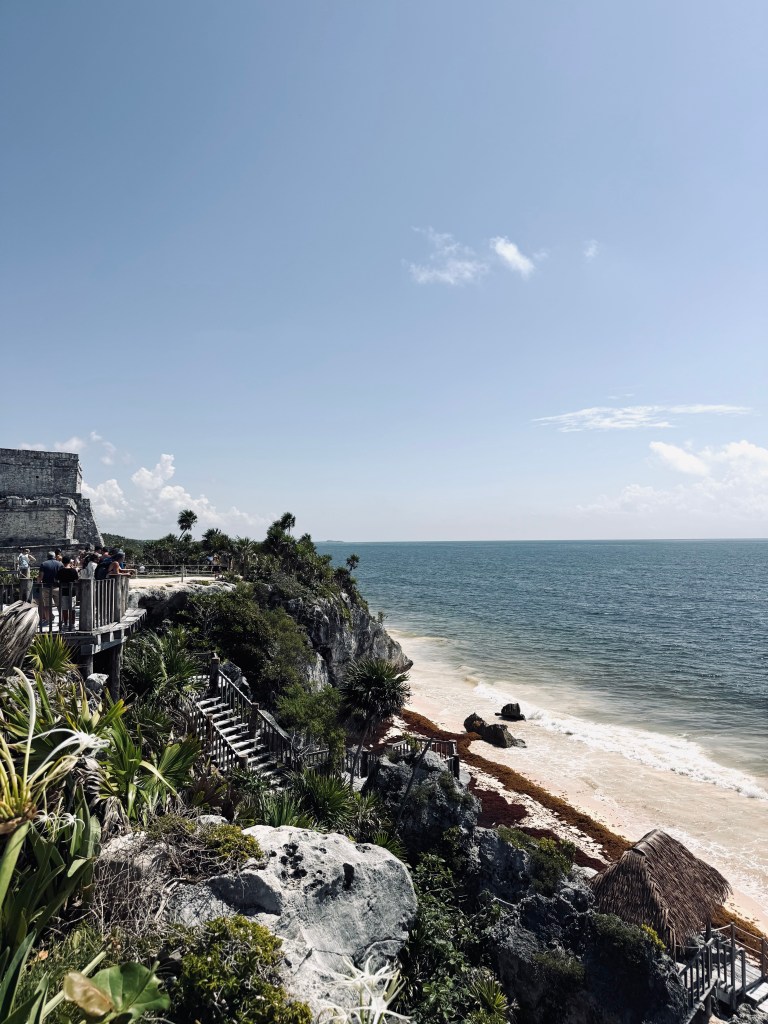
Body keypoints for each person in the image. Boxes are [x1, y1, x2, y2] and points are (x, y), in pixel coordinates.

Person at [37, 551, 61, 627]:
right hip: (57, 586)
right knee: (59, 605)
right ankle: (61, 620)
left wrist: (38, 583)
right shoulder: (60, 564)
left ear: (47, 556)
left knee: (47, 605)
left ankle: (48, 620)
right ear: (54, 556)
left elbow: (41, 576)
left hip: (46, 587)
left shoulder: (44, 564)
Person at [57, 555, 79, 628]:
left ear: (62, 562)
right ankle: (72, 623)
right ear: (69, 562)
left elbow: (56, 579)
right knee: (72, 609)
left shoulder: (60, 571)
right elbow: (77, 580)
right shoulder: (73, 571)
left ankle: (65, 623)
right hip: (72, 592)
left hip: (63, 592)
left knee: (65, 609)